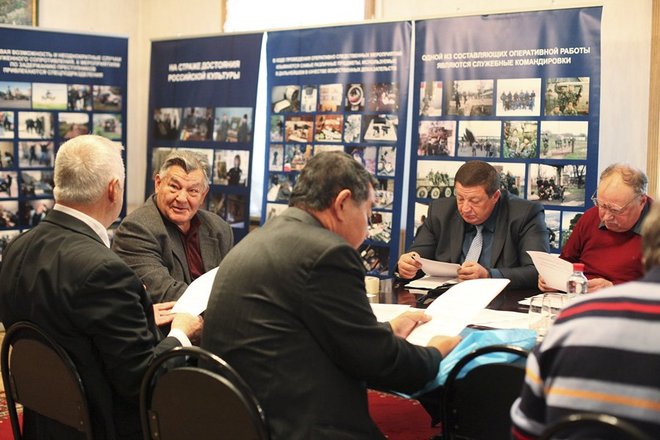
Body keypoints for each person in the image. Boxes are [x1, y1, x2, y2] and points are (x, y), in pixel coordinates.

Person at [201, 151, 461, 439]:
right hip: (294, 424)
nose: (368, 227)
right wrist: (434, 352)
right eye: (368, 213)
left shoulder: (261, 238)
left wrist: (387, 330)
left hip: (238, 418)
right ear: (342, 203)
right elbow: (379, 363)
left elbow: (314, 329)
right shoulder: (327, 252)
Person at [0, 135, 203, 440]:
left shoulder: (17, 248)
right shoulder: (106, 271)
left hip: (45, 422)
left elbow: (65, 327)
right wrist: (181, 333)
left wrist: (135, 315)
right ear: (113, 189)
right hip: (104, 426)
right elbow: (144, 383)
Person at [511, 202, 660, 439]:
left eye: (616, 209)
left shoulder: (571, 322)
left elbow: (524, 430)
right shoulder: (589, 220)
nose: (607, 216)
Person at [398, 160, 549, 289]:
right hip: (446, 299)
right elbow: (418, 255)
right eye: (460, 198)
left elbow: (536, 271)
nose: (465, 208)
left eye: (474, 201)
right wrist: (407, 266)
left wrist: (489, 275)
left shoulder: (525, 214)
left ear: (495, 196)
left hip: (501, 303)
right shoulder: (440, 212)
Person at [112, 150, 233, 306]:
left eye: (193, 191)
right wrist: (226, 306)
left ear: (203, 195)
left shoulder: (220, 229)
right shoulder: (135, 229)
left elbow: (232, 285)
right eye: (174, 187)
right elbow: (165, 293)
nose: (182, 198)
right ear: (158, 184)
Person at [539, 164, 652, 292]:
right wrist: (553, 279)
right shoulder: (590, 217)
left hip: (628, 301)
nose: (606, 217)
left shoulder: (656, 227)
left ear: (642, 201)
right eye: (602, 205)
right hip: (579, 297)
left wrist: (613, 288)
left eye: (616, 210)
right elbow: (567, 262)